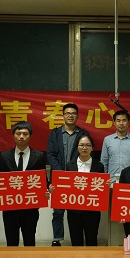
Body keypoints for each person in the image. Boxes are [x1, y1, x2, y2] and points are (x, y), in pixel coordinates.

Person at [0, 121, 47, 246]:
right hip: (10, 207)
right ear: (13, 135)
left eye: (25, 134)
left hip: (30, 207)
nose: (21, 137)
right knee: (11, 241)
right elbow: (0, 180)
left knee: (29, 240)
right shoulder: (5, 156)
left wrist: (46, 191)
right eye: (18, 134)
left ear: (30, 136)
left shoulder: (39, 156)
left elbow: (43, 180)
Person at [46, 103, 88, 246]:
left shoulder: (83, 134)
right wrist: (61, 173)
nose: (70, 115)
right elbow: (50, 155)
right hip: (58, 178)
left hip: (77, 179)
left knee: (76, 211)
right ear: (63, 115)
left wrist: (70, 173)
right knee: (58, 211)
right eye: (67, 113)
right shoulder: (55, 133)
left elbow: (85, 154)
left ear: (77, 116)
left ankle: (77, 240)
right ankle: (57, 238)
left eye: (73, 113)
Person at [63, 135, 106, 246]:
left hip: (92, 210)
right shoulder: (70, 165)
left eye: (88, 145)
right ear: (77, 147)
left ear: (92, 148)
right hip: (74, 211)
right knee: (76, 240)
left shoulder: (99, 166)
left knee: (92, 239)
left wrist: (106, 185)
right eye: (81, 145)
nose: (84, 148)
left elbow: (101, 190)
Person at [100, 110, 130, 182]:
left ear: (128, 122)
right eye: (118, 121)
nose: (121, 123)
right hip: (112, 180)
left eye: (124, 120)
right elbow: (104, 161)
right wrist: (104, 178)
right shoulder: (107, 140)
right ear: (114, 123)